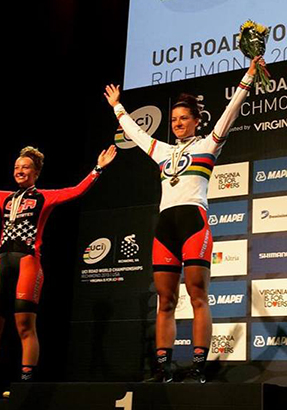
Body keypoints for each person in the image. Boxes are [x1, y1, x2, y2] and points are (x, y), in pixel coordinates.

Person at [104, 57, 263, 383]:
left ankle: (198, 366)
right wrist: (118, 107)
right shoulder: (162, 151)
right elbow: (134, 133)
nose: (177, 123)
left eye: (183, 118)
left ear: (196, 121)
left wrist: (248, 76)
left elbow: (231, 111)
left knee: (197, 297)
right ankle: (162, 368)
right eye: (174, 119)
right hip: (166, 228)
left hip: (194, 222)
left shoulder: (209, 145)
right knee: (166, 300)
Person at [0, 144, 117, 398]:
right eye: (17, 167)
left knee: (24, 325)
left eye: (25, 167)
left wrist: (98, 169)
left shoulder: (44, 197)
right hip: (1, 263)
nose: (20, 171)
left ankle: (25, 384)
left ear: (36, 172)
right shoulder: (5, 198)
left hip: (28, 263)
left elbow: (76, 191)